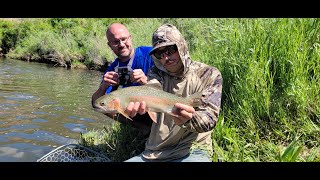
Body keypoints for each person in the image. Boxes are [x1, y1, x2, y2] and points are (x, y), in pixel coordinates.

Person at [122, 23, 223, 162]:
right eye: (159, 53)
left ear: (181, 46)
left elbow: (210, 121)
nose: (165, 58)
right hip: (154, 153)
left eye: (170, 50)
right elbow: (153, 86)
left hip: (193, 150)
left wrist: (189, 119)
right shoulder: (155, 73)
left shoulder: (208, 74)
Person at [91, 23, 154, 134]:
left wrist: (146, 82)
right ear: (109, 45)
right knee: (102, 106)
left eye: (124, 39)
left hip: (157, 103)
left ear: (130, 38)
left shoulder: (150, 54)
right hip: (135, 111)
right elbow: (95, 103)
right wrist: (103, 87)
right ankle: (141, 128)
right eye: (115, 42)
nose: (121, 44)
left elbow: (172, 81)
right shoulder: (113, 69)